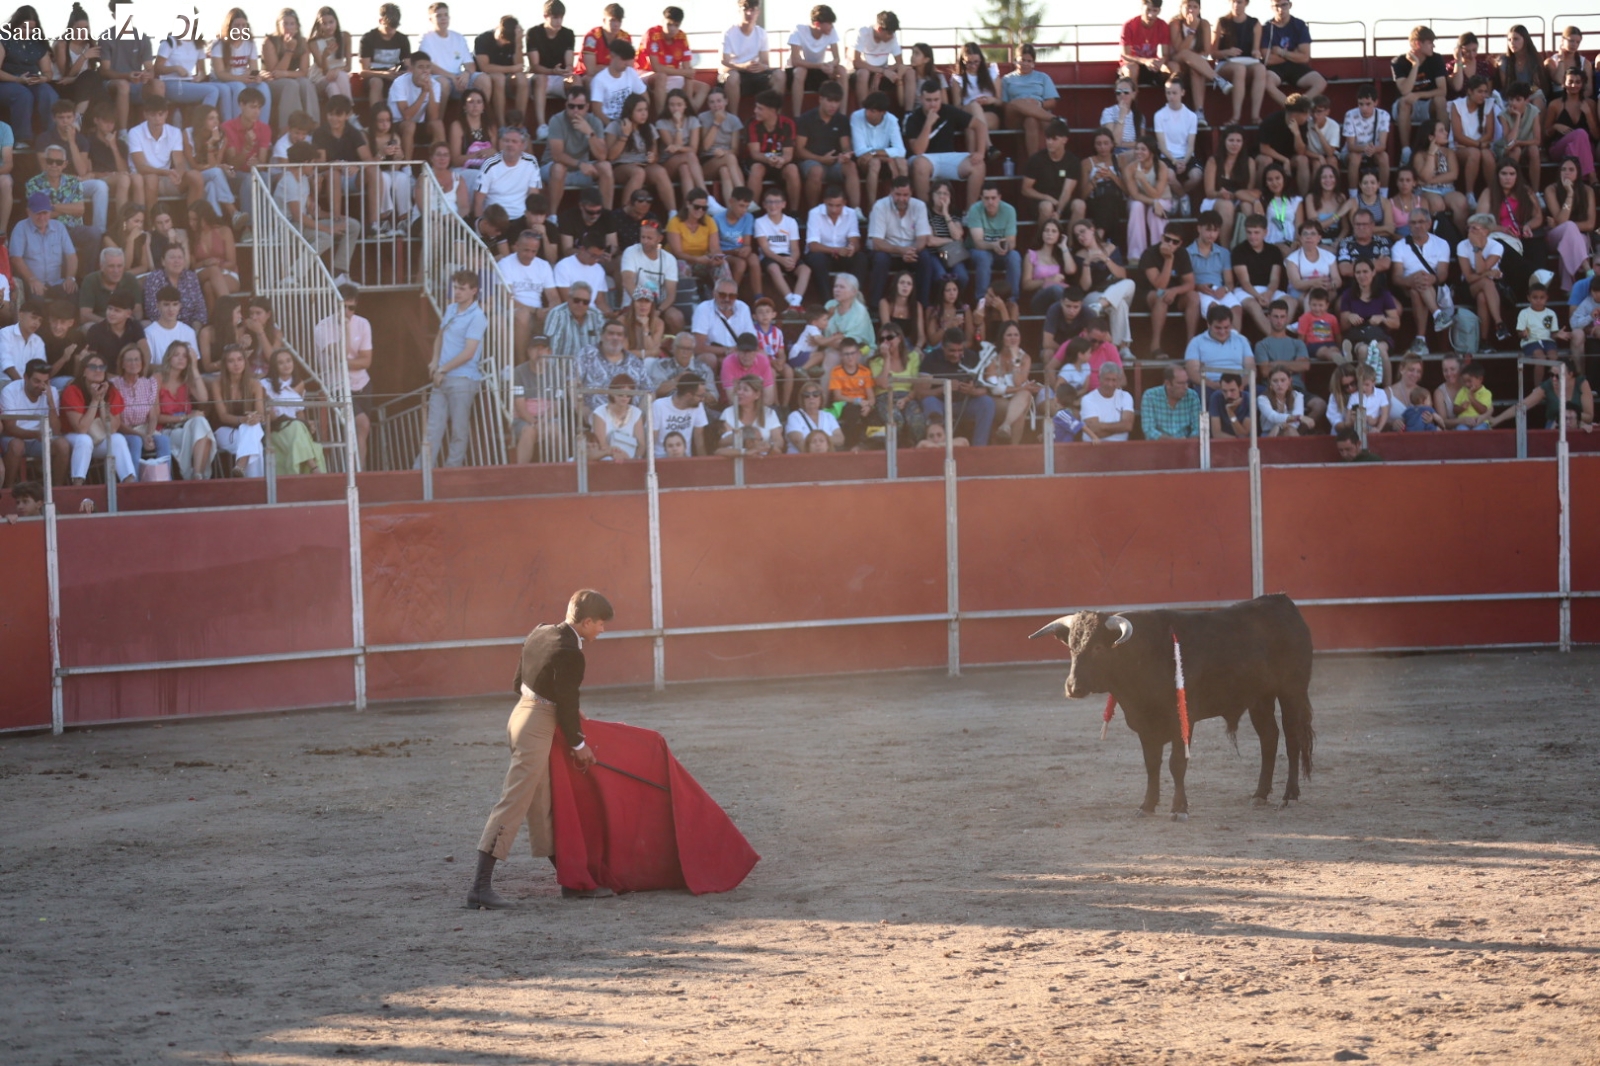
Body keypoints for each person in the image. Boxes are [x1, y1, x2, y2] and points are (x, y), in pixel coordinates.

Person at [469, 588, 616, 908]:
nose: (602, 629)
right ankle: (479, 887)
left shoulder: (540, 632)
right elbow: (566, 701)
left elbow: (518, 683)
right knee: (515, 801)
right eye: (601, 623)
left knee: (543, 804)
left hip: (521, 715)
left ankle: (573, 881)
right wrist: (578, 743)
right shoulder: (571, 653)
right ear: (587, 622)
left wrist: (558, 705)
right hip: (537, 725)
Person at [419, 270, 485, 468]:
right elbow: (440, 335)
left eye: (462, 289)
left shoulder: (478, 317)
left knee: (459, 430)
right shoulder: (451, 308)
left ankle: (452, 471)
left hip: (463, 378)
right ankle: (422, 471)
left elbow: (469, 352)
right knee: (433, 429)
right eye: (455, 287)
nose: (457, 292)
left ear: (474, 290)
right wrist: (434, 361)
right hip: (443, 377)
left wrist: (442, 369)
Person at [904, 78, 984, 206]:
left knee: (978, 165)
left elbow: (979, 125)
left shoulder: (949, 110)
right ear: (921, 99)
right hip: (925, 158)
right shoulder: (913, 118)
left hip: (948, 156)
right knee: (920, 164)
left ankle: (970, 212)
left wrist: (980, 152)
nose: (933, 104)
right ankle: (927, 212)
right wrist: (928, 123)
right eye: (928, 100)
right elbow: (918, 150)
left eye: (936, 100)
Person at [543, 86, 615, 211]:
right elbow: (557, 156)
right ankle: (552, 216)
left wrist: (589, 133)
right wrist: (580, 164)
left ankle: (606, 214)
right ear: (566, 105)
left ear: (587, 107)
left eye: (580, 107)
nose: (575, 110)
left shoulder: (594, 122)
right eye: (571, 106)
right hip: (552, 169)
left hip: (581, 170)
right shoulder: (556, 120)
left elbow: (602, 156)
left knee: (606, 166)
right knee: (559, 169)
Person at [919, 328, 994, 446]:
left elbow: (985, 389)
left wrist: (972, 391)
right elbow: (921, 392)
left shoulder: (972, 357)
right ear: (943, 347)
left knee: (987, 403)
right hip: (941, 403)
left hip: (965, 403)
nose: (956, 355)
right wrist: (943, 389)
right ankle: (936, 445)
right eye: (952, 351)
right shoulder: (931, 359)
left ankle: (979, 447)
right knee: (929, 402)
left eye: (960, 350)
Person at [1391, 208, 1450, 355]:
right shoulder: (1399, 246)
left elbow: (1443, 273)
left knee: (1417, 289)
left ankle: (1420, 339)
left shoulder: (1442, 244)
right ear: (1409, 225)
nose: (1417, 226)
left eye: (1421, 222)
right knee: (1416, 284)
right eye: (1413, 223)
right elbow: (1396, 277)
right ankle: (1438, 314)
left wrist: (1432, 278)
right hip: (1406, 286)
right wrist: (1409, 280)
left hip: (1433, 286)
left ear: (1429, 224)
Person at [1, 359, 68, 486]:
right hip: (14, 438)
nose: (41, 386)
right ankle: (7, 490)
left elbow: (56, 431)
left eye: (45, 382)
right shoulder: (10, 390)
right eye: (37, 381)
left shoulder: (51, 391)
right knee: (17, 445)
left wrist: (50, 403)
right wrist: (36, 434)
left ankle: (56, 491)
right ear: (26, 377)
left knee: (63, 445)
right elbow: (10, 428)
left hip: (39, 439)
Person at [795, 80, 858, 210]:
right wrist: (821, 159)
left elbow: (845, 146)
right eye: (829, 101)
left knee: (851, 166)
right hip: (811, 161)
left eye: (837, 101)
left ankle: (856, 210)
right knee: (816, 171)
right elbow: (799, 150)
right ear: (820, 99)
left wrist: (845, 155)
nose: (833, 105)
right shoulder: (806, 119)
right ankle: (812, 212)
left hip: (835, 162)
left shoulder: (842, 120)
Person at [1456, 213, 1511, 346]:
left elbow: (1480, 269)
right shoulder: (1462, 245)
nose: (1470, 231)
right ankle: (1499, 323)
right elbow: (1469, 277)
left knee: (1482, 297)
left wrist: (1477, 249)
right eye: (1469, 228)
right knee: (1486, 282)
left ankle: (1483, 341)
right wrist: (1488, 272)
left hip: (1492, 288)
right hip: (1469, 286)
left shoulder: (1496, 246)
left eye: (1474, 228)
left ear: (1486, 231)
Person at [965, 182, 1021, 310]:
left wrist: (1004, 247)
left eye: (993, 198)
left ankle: (1012, 300)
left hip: (1000, 251)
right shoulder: (975, 209)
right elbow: (978, 243)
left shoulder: (1009, 210)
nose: (990, 202)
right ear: (981, 198)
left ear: (999, 197)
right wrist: (993, 245)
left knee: (1014, 256)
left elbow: (1012, 242)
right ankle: (982, 300)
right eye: (986, 198)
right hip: (978, 250)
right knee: (984, 257)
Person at [721, 0, 782, 114]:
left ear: (758, 12)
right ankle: (734, 118)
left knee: (780, 75)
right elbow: (724, 64)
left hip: (756, 73)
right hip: (737, 73)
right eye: (746, 9)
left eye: (753, 10)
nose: (749, 13)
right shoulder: (729, 33)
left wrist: (762, 67)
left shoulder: (762, 33)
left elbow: (765, 62)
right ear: (739, 11)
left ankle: (775, 116)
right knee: (732, 77)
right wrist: (743, 66)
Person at [803, 185, 862, 302]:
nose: (834, 210)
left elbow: (855, 240)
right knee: (817, 259)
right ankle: (828, 302)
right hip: (822, 254)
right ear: (824, 202)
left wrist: (852, 248)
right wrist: (837, 250)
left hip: (843, 254)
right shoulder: (814, 213)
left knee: (861, 258)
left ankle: (854, 300)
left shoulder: (851, 213)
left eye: (838, 205)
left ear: (844, 203)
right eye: (830, 205)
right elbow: (813, 246)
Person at [526, 0, 575, 136]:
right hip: (540, 77)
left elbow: (569, 62)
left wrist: (568, 70)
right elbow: (534, 66)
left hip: (560, 77)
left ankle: (575, 124)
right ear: (545, 16)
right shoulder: (533, 33)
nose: (559, 21)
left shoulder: (568, 34)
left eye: (561, 17)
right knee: (541, 79)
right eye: (555, 17)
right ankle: (542, 126)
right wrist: (552, 71)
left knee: (576, 80)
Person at [746, 88, 801, 211]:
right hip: (761, 161)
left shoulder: (788, 124)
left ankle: (794, 212)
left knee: (792, 169)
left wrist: (782, 160)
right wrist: (769, 159)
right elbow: (755, 153)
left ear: (772, 110)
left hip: (780, 162)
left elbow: (788, 154)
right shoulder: (752, 123)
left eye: (760, 108)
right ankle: (752, 211)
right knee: (757, 169)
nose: (755, 111)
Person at [1261, 0, 1324, 104]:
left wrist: (1281, 52)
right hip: (1275, 68)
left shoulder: (1299, 25)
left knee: (1320, 82)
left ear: (1290, 5)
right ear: (1272, 8)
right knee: (1267, 82)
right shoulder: (1267, 28)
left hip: (1296, 66)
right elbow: (1268, 59)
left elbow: (1304, 57)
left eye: (1284, 5)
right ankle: (1290, 108)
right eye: (1276, 6)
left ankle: (1300, 105)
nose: (1280, 9)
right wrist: (1294, 54)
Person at [788, 4, 846, 116]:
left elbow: (837, 58)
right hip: (801, 70)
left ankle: (842, 115)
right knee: (800, 71)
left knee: (842, 70)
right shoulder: (799, 30)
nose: (831, 26)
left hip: (820, 69)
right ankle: (797, 116)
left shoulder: (831, 31)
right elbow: (795, 60)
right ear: (817, 24)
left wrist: (830, 65)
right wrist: (820, 66)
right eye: (829, 23)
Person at [1021, 119, 1082, 227]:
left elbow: (1067, 191)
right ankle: (1043, 237)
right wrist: (1046, 197)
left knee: (1079, 205)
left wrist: (1058, 212)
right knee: (1047, 206)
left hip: (1062, 201)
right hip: (1041, 202)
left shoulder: (1072, 161)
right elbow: (1025, 189)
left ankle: (1071, 238)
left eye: (1054, 139)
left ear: (1064, 140)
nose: (1049, 142)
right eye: (1048, 138)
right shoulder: (1036, 159)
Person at [1140, 230, 1194, 351]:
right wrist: (1169, 259)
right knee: (1161, 296)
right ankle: (1155, 346)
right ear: (1162, 237)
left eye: (1175, 242)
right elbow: (1160, 286)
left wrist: (1175, 291)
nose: (1170, 244)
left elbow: (1190, 283)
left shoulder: (1182, 253)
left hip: (1174, 294)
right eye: (1167, 239)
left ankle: (1192, 345)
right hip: (1150, 293)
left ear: (1180, 243)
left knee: (1194, 297)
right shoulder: (1150, 253)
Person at [753, 187, 807, 306]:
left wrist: (792, 261)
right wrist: (781, 260)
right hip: (770, 256)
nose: (773, 206)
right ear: (764, 205)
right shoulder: (760, 222)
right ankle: (791, 302)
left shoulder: (791, 221)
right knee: (774, 268)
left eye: (777, 202)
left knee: (805, 270)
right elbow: (765, 249)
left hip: (787, 256)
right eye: (769, 202)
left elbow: (795, 249)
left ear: (783, 204)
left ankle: (796, 301)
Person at [1185, 302, 1254, 386]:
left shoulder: (1242, 340)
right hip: (1209, 386)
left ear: (1231, 325)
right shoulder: (1196, 342)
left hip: (1239, 385)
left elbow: (1251, 369)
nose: (1222, 332)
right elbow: (1192, 373)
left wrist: (1238, 386)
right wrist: (1214, 385)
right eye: (1218, 328)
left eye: (1226, 327)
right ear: (1209, 325)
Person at [359, 2, 411, 111]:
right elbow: (363, 72)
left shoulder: (402, 39)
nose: (391, 31)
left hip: (395, 76)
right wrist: (384, 74)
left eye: (394, 27)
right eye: (388, 27)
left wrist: (402, 72)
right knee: (377, 82)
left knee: (407, 81)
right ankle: (378, 116)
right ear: (381, 21)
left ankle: (404, 117)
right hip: (374, 76)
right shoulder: (368, 39)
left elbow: (408, 67)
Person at [650, 373, 708, 456]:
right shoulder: (659, 405)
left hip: (685, 459)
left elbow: (699, 440)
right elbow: (652, 438)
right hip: (660, 458)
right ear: (688, 395)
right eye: (700, 396)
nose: (703, 399)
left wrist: (704, 462)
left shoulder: (698, 405)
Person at [1120, 0, 1173, 89]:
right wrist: (1145, 61)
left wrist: (1160, 62)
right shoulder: (1129, 25)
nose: (1151, 15)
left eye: (1154, 10)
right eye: (1148, 10)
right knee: (1132, 68)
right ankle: (1131, 97)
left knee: (1172, 67)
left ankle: (1173, 97)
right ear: (1141, 8)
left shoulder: (1163, 25)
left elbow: (1166, 55)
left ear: (1159, 11)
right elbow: (1125, 56)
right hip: (1132, 65)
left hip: (1152, 66)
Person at [1139, 362, 1200, 439]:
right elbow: (1149, 430)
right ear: (1167, 383)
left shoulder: (1192, 396)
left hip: (1187, 444)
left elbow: (1198, 428)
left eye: (1186, 382)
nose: (1185, 387)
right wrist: (1174, 442)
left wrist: (1187, 443)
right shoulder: (1150, 396)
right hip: (1158, 444)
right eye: (1180, 383)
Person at [1079, 362, 1134, 442]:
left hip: (1120, 446)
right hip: (1094, 447)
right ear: (1099, 378)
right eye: (1107, 379)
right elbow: (1095, 431)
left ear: (1119, 381)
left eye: (1114, 380)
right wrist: (1120, 427)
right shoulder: (1088, 399)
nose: (1110, 384)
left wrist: (1100, 426)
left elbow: (1128, 426)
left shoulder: (1125, 396)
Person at [785, 379, 842, 451]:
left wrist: (817, 441)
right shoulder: (794, 417)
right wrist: (822, 443)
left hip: (827, 457)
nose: (811, 397)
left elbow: (840, 439)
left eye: (815, 394)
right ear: (802, 399)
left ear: (821, 398)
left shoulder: (829, 416)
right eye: (806, 395)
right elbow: (798, 441)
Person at [1257, 364, 1313, 435]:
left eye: (1283, 380)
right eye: (1275, 381)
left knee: (1289, 430)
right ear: (1270, 383)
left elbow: (1296, 422)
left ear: (1289, 381)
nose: (1279, 384)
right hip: (1269, 433)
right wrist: (1298, 418)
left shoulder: (1297, 396)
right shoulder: (1262, 398)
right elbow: (1273, 417)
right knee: (1289, 430)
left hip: (1290, 430)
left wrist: (1281, 426)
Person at [1207, 371, 1253, 437]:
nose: (1228, 395)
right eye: (1224, 391)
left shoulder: (1249, 399)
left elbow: (1243, 435)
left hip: (1243, 442)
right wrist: (1236, 442)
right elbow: (1216, 434)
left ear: (1241, 388)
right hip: (1225, 441)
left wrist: (1230, 412)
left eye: (1232, 390)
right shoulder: (1216, 397)